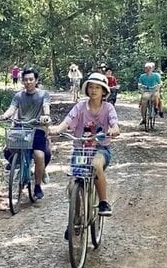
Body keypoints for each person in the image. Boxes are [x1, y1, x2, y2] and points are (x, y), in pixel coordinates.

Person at [49, 72, 120, 218]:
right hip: (80, 148)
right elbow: (68, 121)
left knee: (96, 165)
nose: (93, 90)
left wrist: (114, 130)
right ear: (86, 89)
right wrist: (57, 129)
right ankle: (75, 218)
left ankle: (103, 202)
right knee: (73, 182)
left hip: (101, 148)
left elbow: (114, 123)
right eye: (91, 87)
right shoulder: (80, 107)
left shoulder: (108, 108)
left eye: (97, 88)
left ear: (104, 91)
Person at [0, 67, 51, 199]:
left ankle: (38, 186)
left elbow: (46, 107)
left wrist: (46, 116)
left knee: (39, 155)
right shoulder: (18, 96)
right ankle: (18, 166)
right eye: (26, 80)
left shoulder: (43, 94)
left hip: (36, 128)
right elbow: (12, 109)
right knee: (8, 149)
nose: (28, 82)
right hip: (20, 128)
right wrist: (5, 115)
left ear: (36, 80)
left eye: (31, 79)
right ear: (22, 81)